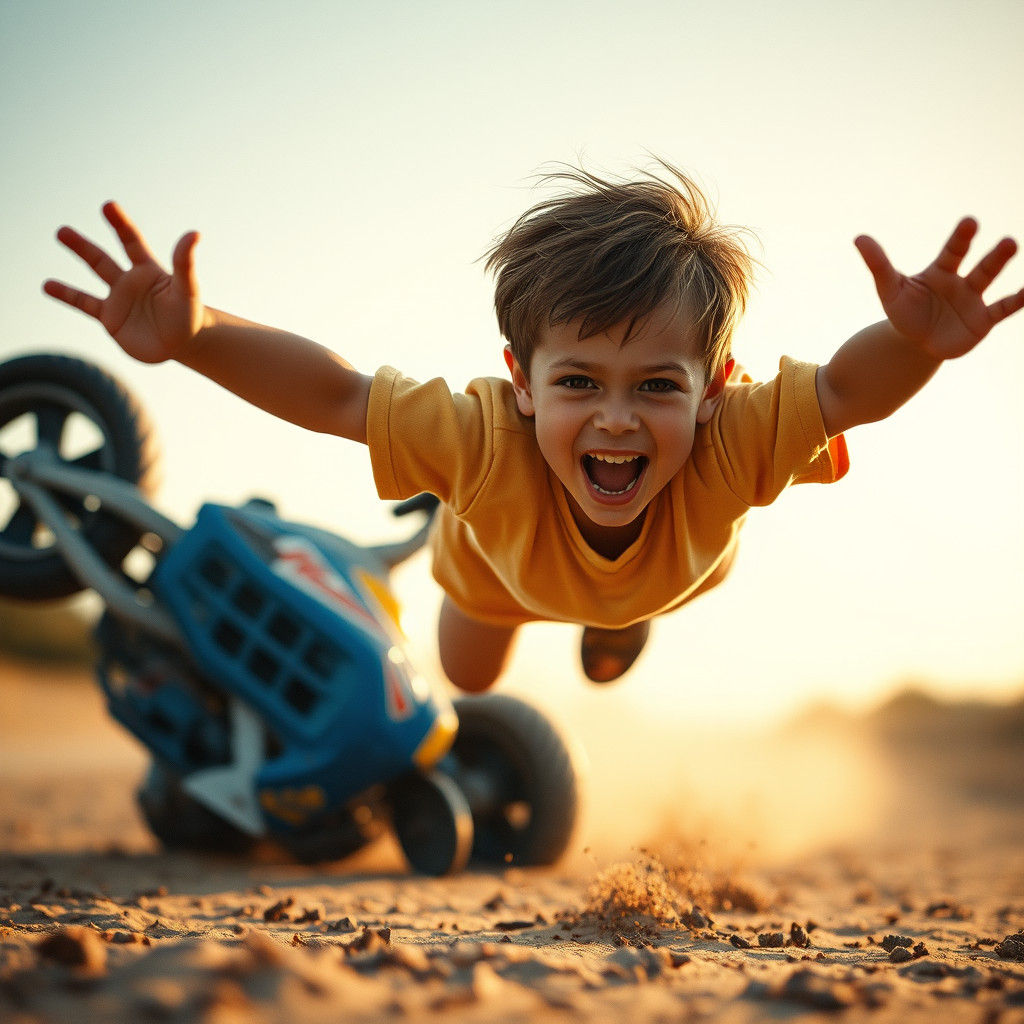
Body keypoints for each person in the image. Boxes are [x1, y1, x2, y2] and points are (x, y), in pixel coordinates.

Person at [43, 165, 1024, 691]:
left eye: (657, 386)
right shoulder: (480, 438)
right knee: (468, 679)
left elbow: (847, 391)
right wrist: (199, 337)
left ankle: (617, 612)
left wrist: (918, 346)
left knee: (623, 598)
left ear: (714, 387)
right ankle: (584, 595)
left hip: (670, 572)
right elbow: (338, 395)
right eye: (578, 381)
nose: (615, 416)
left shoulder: (734, 438)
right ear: (520, 381)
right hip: (495, 574)